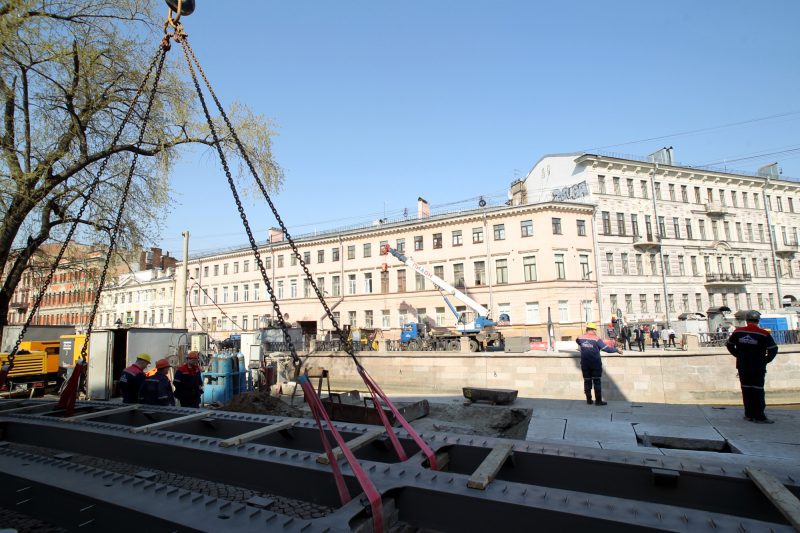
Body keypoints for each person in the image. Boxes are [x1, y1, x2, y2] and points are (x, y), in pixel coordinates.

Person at [726, 310, 778, 424]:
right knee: (758, 390)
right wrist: (765, 360)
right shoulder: (763, 333)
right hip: (757, 366)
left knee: (746, 389)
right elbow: (773, 349)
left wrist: (738, 355)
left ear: (746, 320)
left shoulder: (738, 331)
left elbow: (729, 345)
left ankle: (749, 414)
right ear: (758, 320)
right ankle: (759, 416)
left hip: (742, 366)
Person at [576, 322, 622, 406]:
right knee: (597, 381)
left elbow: (578, 342)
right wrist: (617, 350)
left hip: (585, 364)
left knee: (587, 381)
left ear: (587, 329)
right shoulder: (596, 339)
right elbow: (607, 349)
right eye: (595, 330)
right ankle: (598, 401)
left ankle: (589, 400)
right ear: (593, 330)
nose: (595, 332)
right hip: (595, 364)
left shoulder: (580, 337)